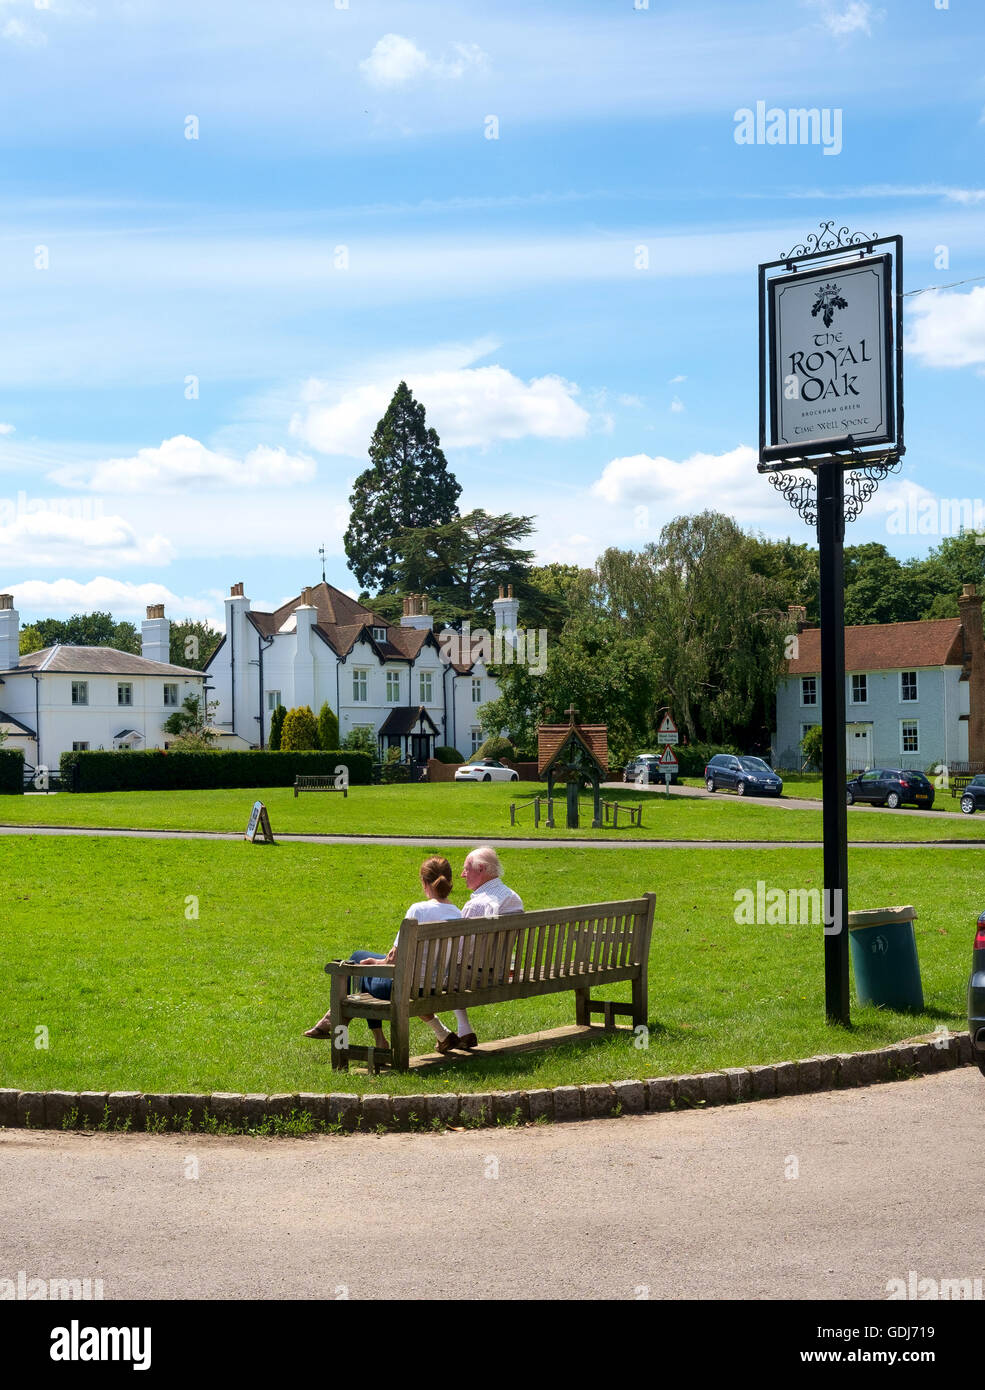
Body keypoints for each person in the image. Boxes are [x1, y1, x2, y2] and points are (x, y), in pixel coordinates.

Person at [303, 856, 463, 1055]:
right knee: (363, 961)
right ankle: (433, 1035)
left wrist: (378, 962)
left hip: (406, 988)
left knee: (355, 967)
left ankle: (340, 1030)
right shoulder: (458, 914)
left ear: (424, 882)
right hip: (436, 986)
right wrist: (379, 961)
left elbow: (393, 959)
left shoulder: (418, 910)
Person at [449, 846, 524, 1050]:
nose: (463, 874)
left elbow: (461, 949)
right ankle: (463, 1030)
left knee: (439, 968)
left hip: (473, 977)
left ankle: (460, 1029)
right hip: (501, 972)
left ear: (481, 869)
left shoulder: (476, 906)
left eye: (466, 869)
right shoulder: (514, 898)